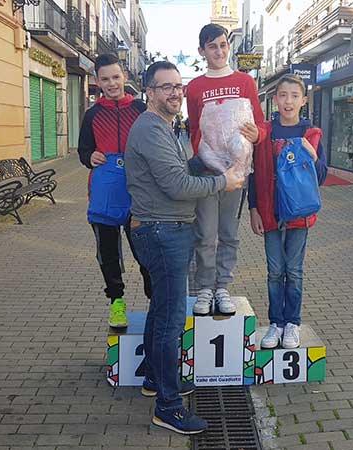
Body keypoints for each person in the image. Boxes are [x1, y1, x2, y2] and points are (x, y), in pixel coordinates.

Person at [126, 61, 244, 435]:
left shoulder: (164, 127)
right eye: (166, 87)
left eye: (178, 86)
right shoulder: (150, 129)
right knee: (171, 320)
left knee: (161, 309)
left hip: (165, 230)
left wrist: (211, 155)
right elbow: (178, 186)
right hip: (162, 232)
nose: (175, 93)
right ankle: (169, 407)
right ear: (149, 91)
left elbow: (182, 169)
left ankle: (154, 378)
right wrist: (223, 182)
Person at [186, 23, 266, 315]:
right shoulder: (195, 87)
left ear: (228, 46)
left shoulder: (245, 82)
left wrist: (258, 135)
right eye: (212, 47)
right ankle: (205, 288)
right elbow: (194, 130)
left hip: (236, 175)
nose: (219, 52)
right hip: (208, 176)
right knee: (206, 234)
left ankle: (223, 287)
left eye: (222, 45)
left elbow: (259, 123)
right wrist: (206, 156)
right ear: (202, 51)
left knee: (229, 233)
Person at [248, 74, 328, 349]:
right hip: (270, 212)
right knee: (274, 271)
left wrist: (313, 156)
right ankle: (276, 323)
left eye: (294, 96)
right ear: (275, 99)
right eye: (283, 95)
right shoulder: (265, 133)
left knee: (293, 271)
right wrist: (253, 209)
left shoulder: (311, 134)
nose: (288, 101)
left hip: (299, 213)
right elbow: (254, 173)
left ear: (303, 100)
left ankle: (292, 322)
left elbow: (321, 177)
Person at [77, 54, 151, 328]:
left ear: (125, 77)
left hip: (138, 195)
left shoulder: (141, 109)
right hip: (104, 195)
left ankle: (155, 300)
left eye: (116, 77)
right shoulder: (92, 114)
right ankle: (116, 302)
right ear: (97, 81)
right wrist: (90, 156)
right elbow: (84, 150)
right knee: (108, 253)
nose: (111, 83)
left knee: (146, 251)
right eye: (105, 79)